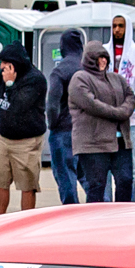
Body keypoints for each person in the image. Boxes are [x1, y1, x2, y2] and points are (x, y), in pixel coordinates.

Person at [66, 43, 135, 203]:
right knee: (97, 186)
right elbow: (92, 105)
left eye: (105, 58)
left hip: (120, 142)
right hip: (93, 144)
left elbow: (130, 96)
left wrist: (124, 111)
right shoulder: (79, 78)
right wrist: (120, 113)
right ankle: (95, 222)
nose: (103, 61)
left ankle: (122, 217)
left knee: (125, 180)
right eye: (98, 58)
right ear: (90, 59)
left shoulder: (117, 78)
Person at [0, 40, 49, 213]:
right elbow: (0, 102)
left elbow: (18, 106)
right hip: (3, 137)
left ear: (15, 64)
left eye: (5, 63)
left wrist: (10, 84)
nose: (1, 66)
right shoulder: (3, 76)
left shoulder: (35, 80)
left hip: (27, 141)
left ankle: (25, 222)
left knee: (27, 185)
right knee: (0, 182)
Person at [106, 13, 135, 202]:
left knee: (130, 169)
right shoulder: (103, 51)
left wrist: (131, 110)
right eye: (114, 26)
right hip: (106, 120)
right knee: (105, 167)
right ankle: (105, 206)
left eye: (121, 26)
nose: (117, 30)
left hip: (130, 121)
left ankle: (130, 206)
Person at [43, 28, 86, 206]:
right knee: (90, 178)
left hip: (63, 131)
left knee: (65, 177)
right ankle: (102, 208)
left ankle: (72, 213)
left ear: (63, 47)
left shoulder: (59, 71)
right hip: (86, 131)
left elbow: (52, 104)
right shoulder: (88, 69)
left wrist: (52, 125)